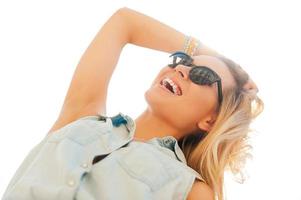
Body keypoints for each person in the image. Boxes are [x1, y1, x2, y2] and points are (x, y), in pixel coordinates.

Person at [2, 7, 264, 200]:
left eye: (202, 76)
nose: (182, 70)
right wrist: (216, 57)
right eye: (181, 61)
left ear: (210, 120)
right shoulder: (81, 117)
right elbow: (124, 21)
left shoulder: (190, 190)